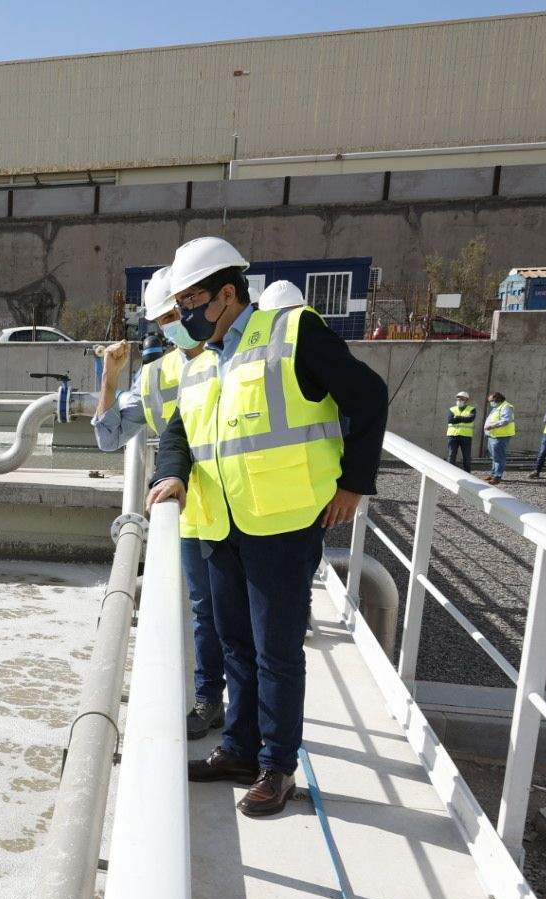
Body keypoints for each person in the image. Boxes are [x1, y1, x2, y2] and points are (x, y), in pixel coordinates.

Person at [147, 236, 388, 818]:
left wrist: (354, 484)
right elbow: (178, 432)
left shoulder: (292, 333)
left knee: (275, 651)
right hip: (222, 522)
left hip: (283, 521)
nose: (183, 316)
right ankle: (238, 750)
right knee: (235, 644)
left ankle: (277, 766)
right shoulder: (203, 360)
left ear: (227, 294)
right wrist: (172, 476)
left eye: (190, 302)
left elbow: (369, 395)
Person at [90, 268, 226, 740]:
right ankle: (210, 700)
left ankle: (255, 725)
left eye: (176, 314)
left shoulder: (233, 355)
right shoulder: (156, 376)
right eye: (165, 319)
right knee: (206, 612)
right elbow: (109, 436)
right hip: (194, 514)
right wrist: (109, 377)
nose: (174, 325)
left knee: (250, 621)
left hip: (249, 507)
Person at [484, 392, 516, 483]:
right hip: (493, 435)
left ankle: (497, 477)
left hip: (501, 436)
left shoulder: (506, 407)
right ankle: (493, 474)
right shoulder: (497, 407)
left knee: (499, 457)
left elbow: (505, 420)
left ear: (497, 399)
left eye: (491, 401)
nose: (491, 403)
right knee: (494, 456)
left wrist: (492, 426)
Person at [446, 391, 476, 471]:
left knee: (466, 456)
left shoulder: (472, 409)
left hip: (466, 436)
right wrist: (463, 418)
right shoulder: (452, 409)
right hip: (453, 436)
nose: (459, 400)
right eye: (458, 398)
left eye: (462, 399)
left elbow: (470, 419)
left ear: (466, 400)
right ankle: (449, 472)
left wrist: (457, 417)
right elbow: (450, 420)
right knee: (451, 455)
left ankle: (467, 473)